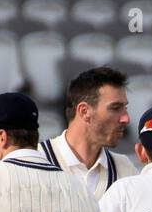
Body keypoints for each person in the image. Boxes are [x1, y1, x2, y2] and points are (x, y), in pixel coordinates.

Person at [41, 66, 137, 197]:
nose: (126, 118)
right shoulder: (37, 160)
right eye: (115, 108)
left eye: (125, 108)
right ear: (84, 111)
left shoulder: (125, 169)